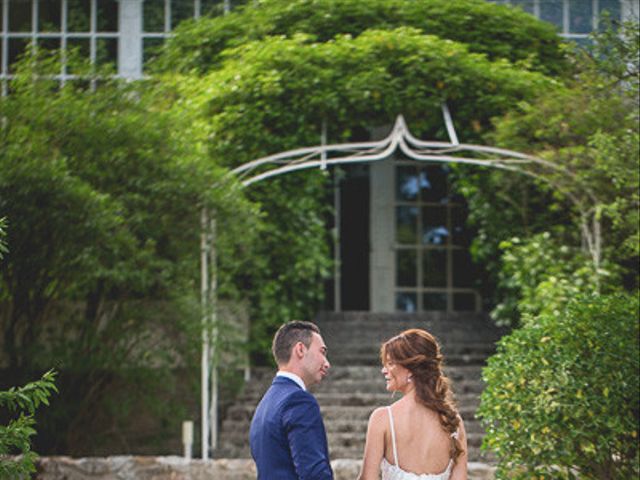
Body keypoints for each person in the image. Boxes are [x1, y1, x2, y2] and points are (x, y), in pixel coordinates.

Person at [358, 328, 468, 480]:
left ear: (410, 369)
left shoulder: (382, 419)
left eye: (390, 363)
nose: (384, 370)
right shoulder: (454, 423)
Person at [250, 320, 334, 480]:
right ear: (300, 349)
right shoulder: (299, 401)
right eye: (322, 352)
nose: (327, 363)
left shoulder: (265, 403)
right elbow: (314, 473)